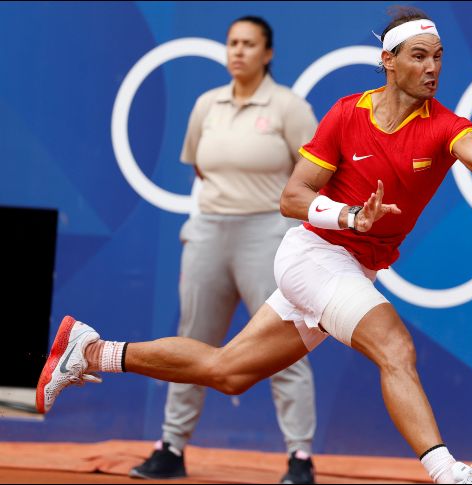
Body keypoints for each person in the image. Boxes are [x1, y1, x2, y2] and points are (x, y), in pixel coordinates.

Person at [36, 7, 472, 484]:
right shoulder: (345, 114)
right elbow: (292, 198)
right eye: (419, 56)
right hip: (312, 255)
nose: (432, 68)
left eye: (438, 57)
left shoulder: (445, 126)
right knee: (395, 347)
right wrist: (351, 215)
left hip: (355, 267)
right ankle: (449, 474)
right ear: (389, 60)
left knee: (229, 371)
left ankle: (92, 351)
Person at [130, 16, 319, 484]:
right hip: (210, 232)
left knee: (282, 347)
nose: (238, 51)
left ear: (267, 53)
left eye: (249, 44)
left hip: (269, 237)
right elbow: (201, 171)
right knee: (192, 339)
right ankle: (171, 448)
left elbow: (312, 178)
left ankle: (300, 458)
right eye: (232, 43)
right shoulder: (204, 106)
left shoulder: (289, 107)